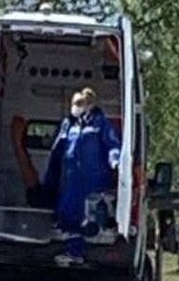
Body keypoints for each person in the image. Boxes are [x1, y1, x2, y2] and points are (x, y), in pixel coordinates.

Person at [43, 88, 121, 268]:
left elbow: (112, 145)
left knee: (87, 216)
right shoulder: (69, 125)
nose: (76, 108)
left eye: (79, 104)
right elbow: (58, 150)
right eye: (74, 104)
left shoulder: (100, 125)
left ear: (89, 105)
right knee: (67, 213)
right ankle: (72, 251)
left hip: (92, 179)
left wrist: (115, 161)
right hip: (71, 179)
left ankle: (77, 252)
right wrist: (50, 177)